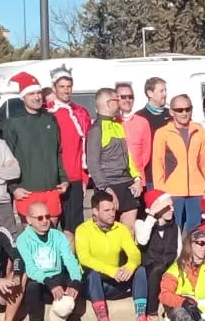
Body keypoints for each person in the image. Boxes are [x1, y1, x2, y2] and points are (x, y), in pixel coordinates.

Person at [74, 190, 147, 321]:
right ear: (95, 211)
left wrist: (130, 266)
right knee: (92, 273)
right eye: (106, 210)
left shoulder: (120, 228)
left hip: (116, 281)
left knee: (140, 270)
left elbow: (135, 253)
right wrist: (111, 271)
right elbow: (84, 258)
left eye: (113, 209)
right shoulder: (83, 230)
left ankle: (141, 319)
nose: (112, 213)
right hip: (93, 284)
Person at [0, 74, 66, 225]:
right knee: (31, 239)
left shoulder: (50, 119)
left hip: (51, 189)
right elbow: (6, 159)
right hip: (27, 191)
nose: (36, 97)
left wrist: (64, 179)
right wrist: (13, 188)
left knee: (52, 236)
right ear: (23, 97)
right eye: (31, 94)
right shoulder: (13, 123)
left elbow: (57, 152)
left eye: (38, 93)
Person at [13, 199, 84, 321]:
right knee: (32, 286)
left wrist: (75, 281)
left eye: (47, 216)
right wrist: (49, 282)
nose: (45, 221)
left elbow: (70, 260)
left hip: (57, 277)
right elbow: (30, 268)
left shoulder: (58, 236)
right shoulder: (23, 239)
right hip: (39, 279)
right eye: (39, 218)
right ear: (29, 220)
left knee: (77, 280)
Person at [152, 93, 205, 233]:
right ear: (171, 112)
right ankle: (175, 255)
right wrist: (162, 193)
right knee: (174, 228)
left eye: (188, 109)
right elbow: (158, 165)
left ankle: (191, 255)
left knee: (195, 228)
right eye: (179, 110)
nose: (184, 113)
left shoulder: (198, 130)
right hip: (172, 190)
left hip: (197, 190)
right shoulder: (162, 133)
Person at [83, 89, 143, 231]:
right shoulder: (97, 129)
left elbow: (127, 156)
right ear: (110, 103)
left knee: (129, 228)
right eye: (118, 100)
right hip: (108, 184)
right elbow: (92, 163)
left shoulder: (117, 124)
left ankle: (129, 254)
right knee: (108, 228)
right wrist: (105, 188)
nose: (121, 103)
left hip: (126, 182)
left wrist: (137, 178)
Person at [43, 71, 93, 232]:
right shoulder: (46, 113)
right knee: (49, 224)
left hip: (75, 178)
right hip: (53, 178)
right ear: (54, 88)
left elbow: (85, 148)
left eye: (69, 86)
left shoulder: (80, 112)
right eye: (61, 87)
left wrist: (85, 178)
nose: (66, 90)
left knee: (75, 226)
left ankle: (74, 257)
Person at [124, 76, 169, 182]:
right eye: (161, 91)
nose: (165, 94)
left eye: (165, 90)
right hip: (150, 174)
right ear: (150, 93)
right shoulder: (139, 117)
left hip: (170, 173)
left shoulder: (171, 115)